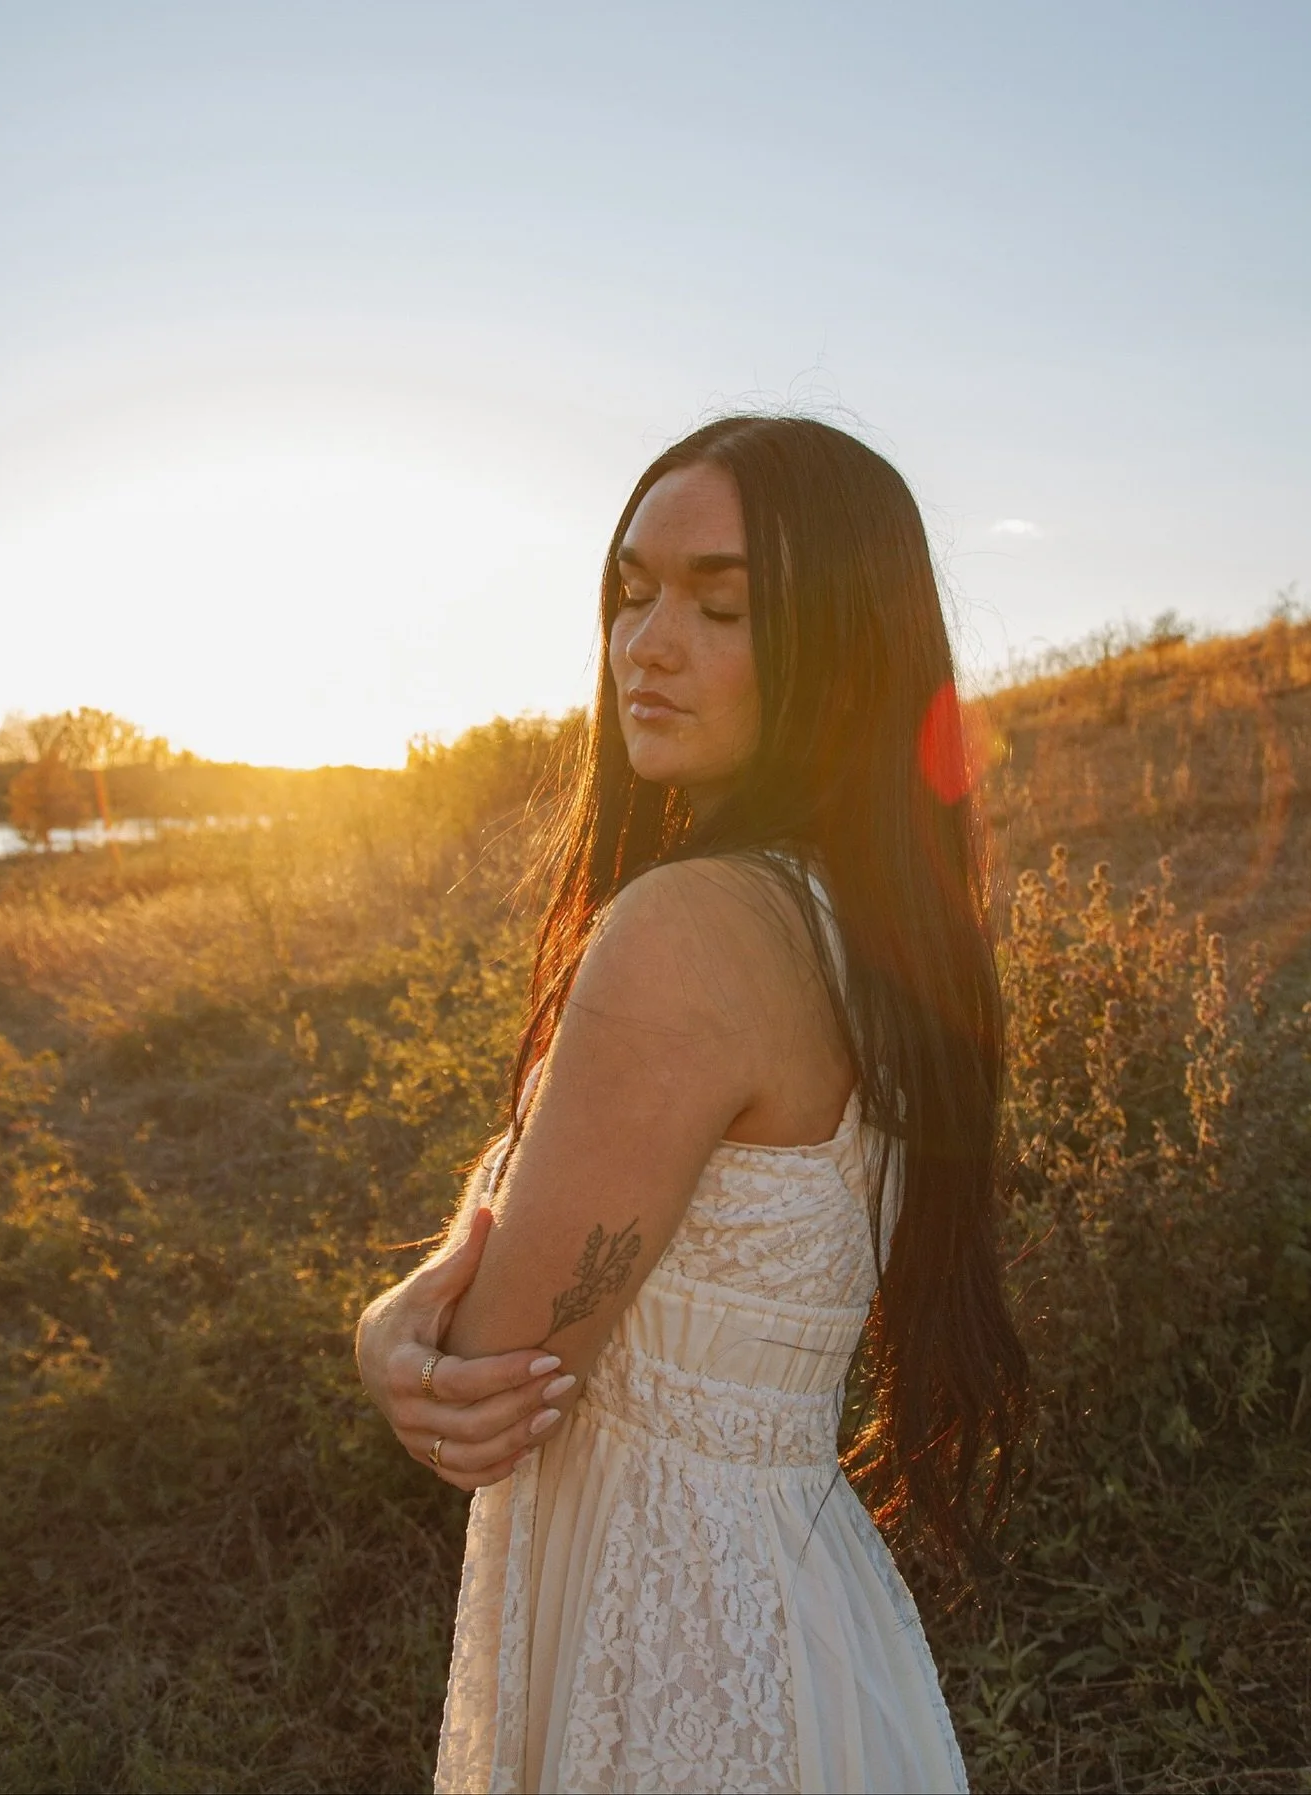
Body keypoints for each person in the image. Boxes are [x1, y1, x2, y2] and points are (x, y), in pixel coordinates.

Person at [356, 415, 1029, 1794]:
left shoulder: (691, 927)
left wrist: (382, 1332)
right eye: (631, 592)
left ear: (843, 647)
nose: (645, 645)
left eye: (721, 607)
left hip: (671, 1628)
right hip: (795, 1601)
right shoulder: (869, 921)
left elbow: (490, 1369)